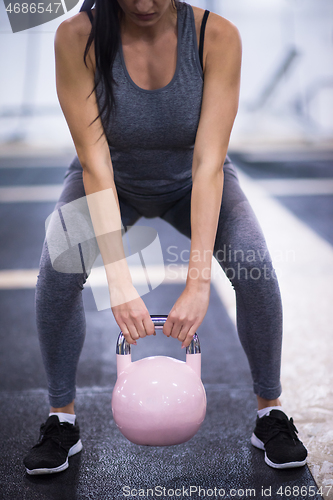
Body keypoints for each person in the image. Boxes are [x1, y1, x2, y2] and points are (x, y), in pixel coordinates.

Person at [23, 0, 307, 475]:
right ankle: (61, 420)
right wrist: (118, 281)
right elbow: (96, 166)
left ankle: (270, 412)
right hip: (110, 179)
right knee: (57, 269)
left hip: (193, 180)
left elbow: (209, 163)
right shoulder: (76, 37)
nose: (145, 4)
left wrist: (198, 284)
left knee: (253, 262)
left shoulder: (218, 37)